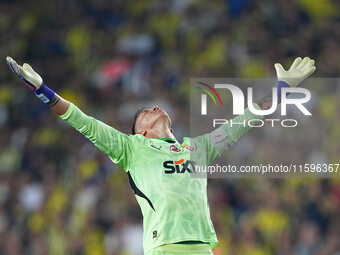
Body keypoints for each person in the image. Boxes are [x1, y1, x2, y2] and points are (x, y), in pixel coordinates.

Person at [6, 56, 315, 255]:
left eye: (153, 106)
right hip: (165, 246)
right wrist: (44, 91)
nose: (152, 107)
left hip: (203, 246)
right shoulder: (131, 149)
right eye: (144, 112)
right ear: (140, 131)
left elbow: (244, 120)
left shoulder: (199, 147)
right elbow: (85, 123)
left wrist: (281, 89)